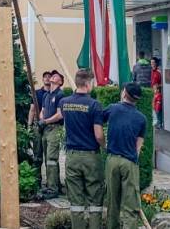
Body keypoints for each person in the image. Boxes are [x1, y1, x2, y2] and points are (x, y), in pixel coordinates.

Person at [61, 69, 104, 229]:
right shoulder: (94, 105)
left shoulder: (64, 102)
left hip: (72, 157)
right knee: (95, 201)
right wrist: (105, 146)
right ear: (88, 83)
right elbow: (98, 134)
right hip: (90, 156)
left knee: (76, 202)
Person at [103, 83, 146, 229]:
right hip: (130, 162)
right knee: (130, 206)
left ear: (124, 93)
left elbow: (97, 121)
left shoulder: (113, 108)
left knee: (112, 203)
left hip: (112, 160)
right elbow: (138, 146)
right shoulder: (141, 118)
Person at [37, 71, 65, 198]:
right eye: (52, 75)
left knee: (51, 159)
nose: (53, 76)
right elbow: (42, 111)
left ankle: (52, 189)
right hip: (45, 129)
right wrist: (41, 119)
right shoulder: (46, 95)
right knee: (47, 157)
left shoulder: (60, 95)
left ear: (60, 82)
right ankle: (55, 184)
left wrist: (46, 121)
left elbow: (60, 114)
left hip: (55, 128)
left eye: (56, 76)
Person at [150, 58, 163, 128]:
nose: (152, 64)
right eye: (151, 63)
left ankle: (159, 123)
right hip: (151, 92)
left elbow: (162, 84)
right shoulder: (150, 71)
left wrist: (158, 86)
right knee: (153, 108)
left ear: (156, 63)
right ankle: (155, 123)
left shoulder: (159, 72)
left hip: (157, 93)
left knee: (158, 108)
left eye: (153, 62)